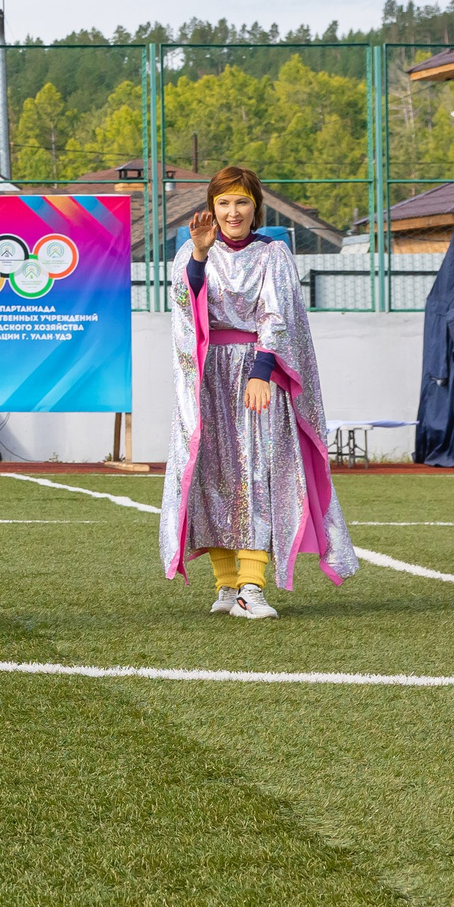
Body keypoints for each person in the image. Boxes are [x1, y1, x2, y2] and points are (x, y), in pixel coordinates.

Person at [161, 165, 357, 619]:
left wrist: (261, 372)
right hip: (208, 378)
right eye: (224, 202)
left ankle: (253, 587)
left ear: (256, 207)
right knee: (213, 477)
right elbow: (184, 304)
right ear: (211, 208)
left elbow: (277, 312)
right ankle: (227, 587)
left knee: (255, 477)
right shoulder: (193, 252)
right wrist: (199, 256)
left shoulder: (273, 253)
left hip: (255, 377)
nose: (233, 211)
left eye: (241, 202)